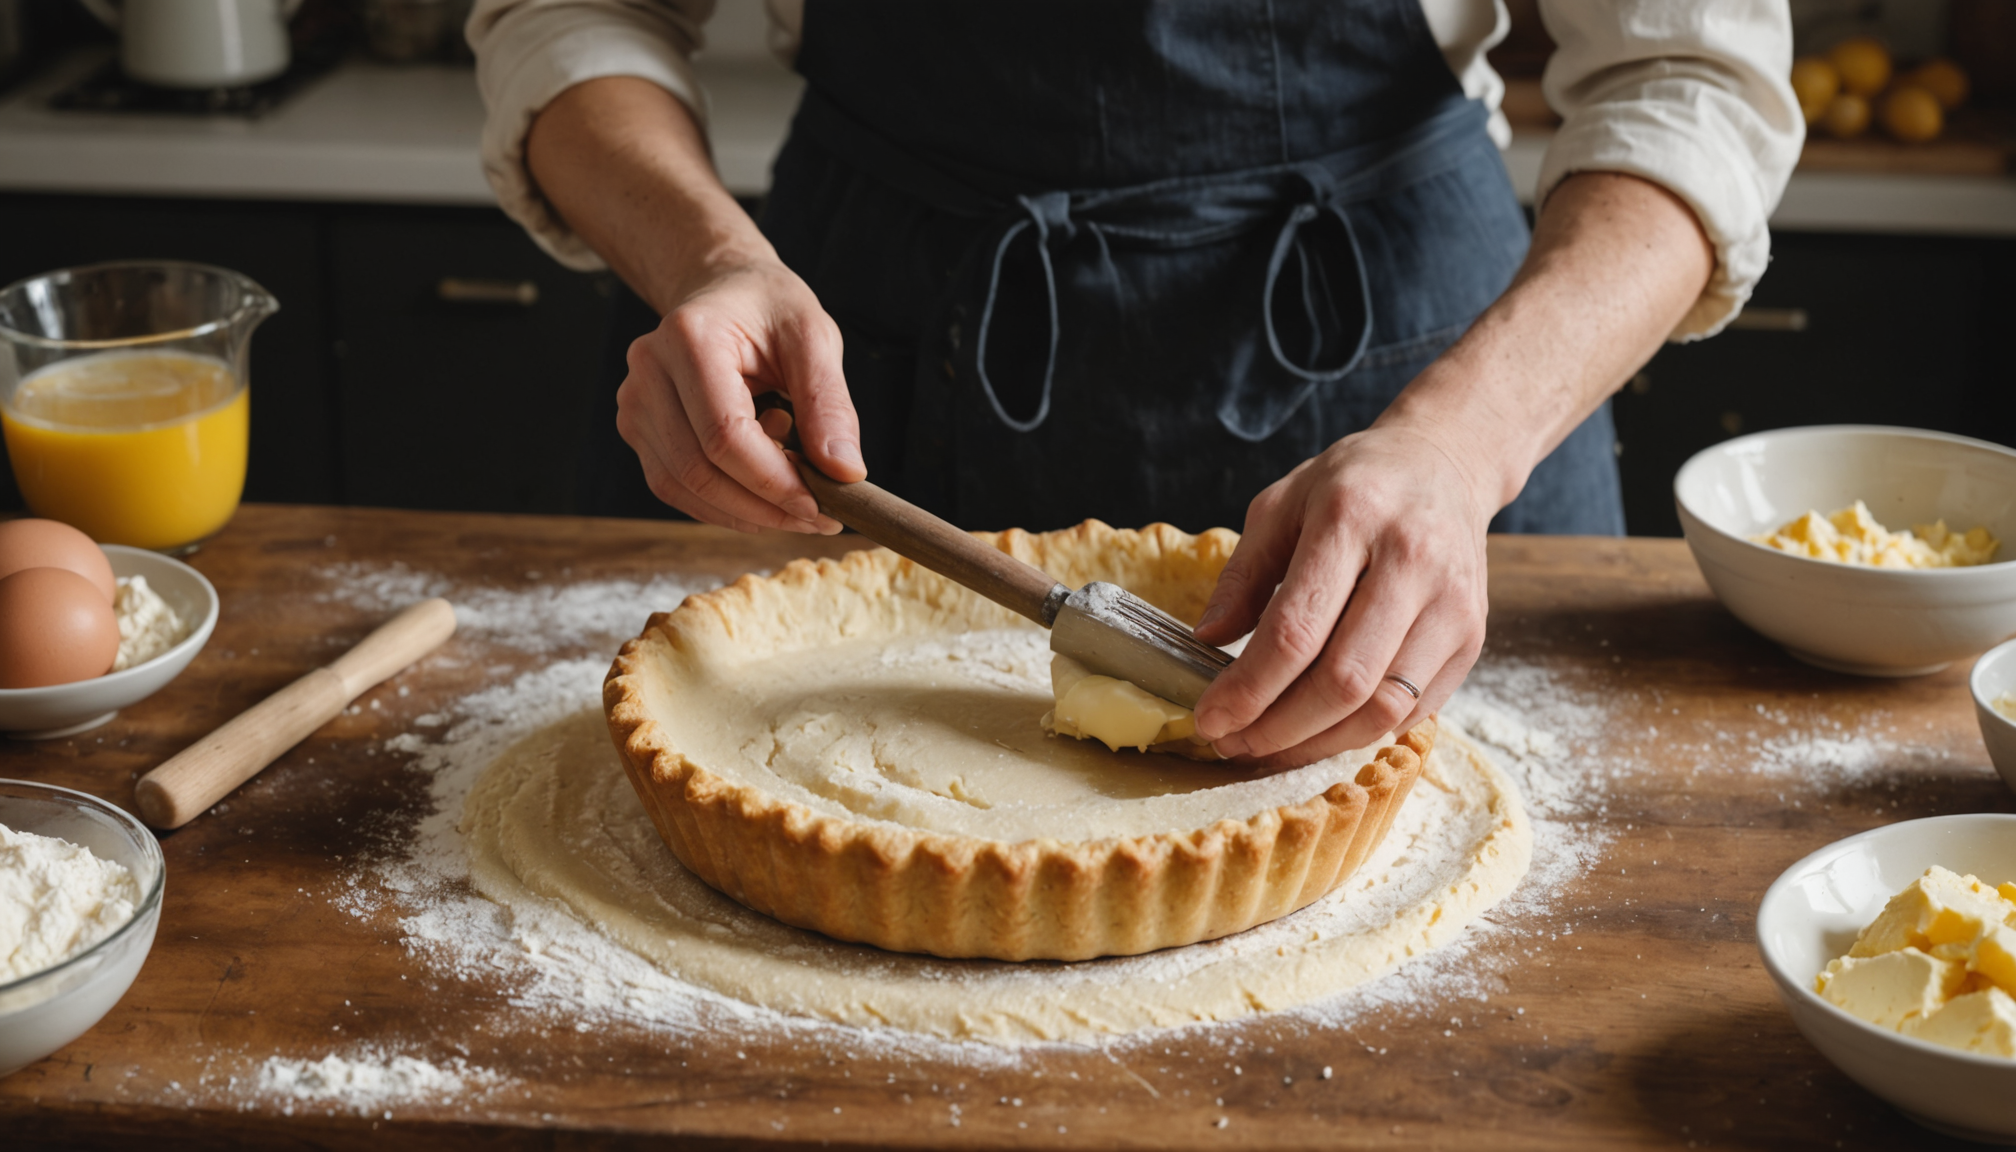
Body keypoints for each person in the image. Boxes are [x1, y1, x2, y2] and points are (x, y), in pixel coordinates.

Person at [468, 0, 1799, 767]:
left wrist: (1460, 447)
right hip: (861, 342)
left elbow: (1693, 78)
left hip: (1422, 378)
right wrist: (702, 263)